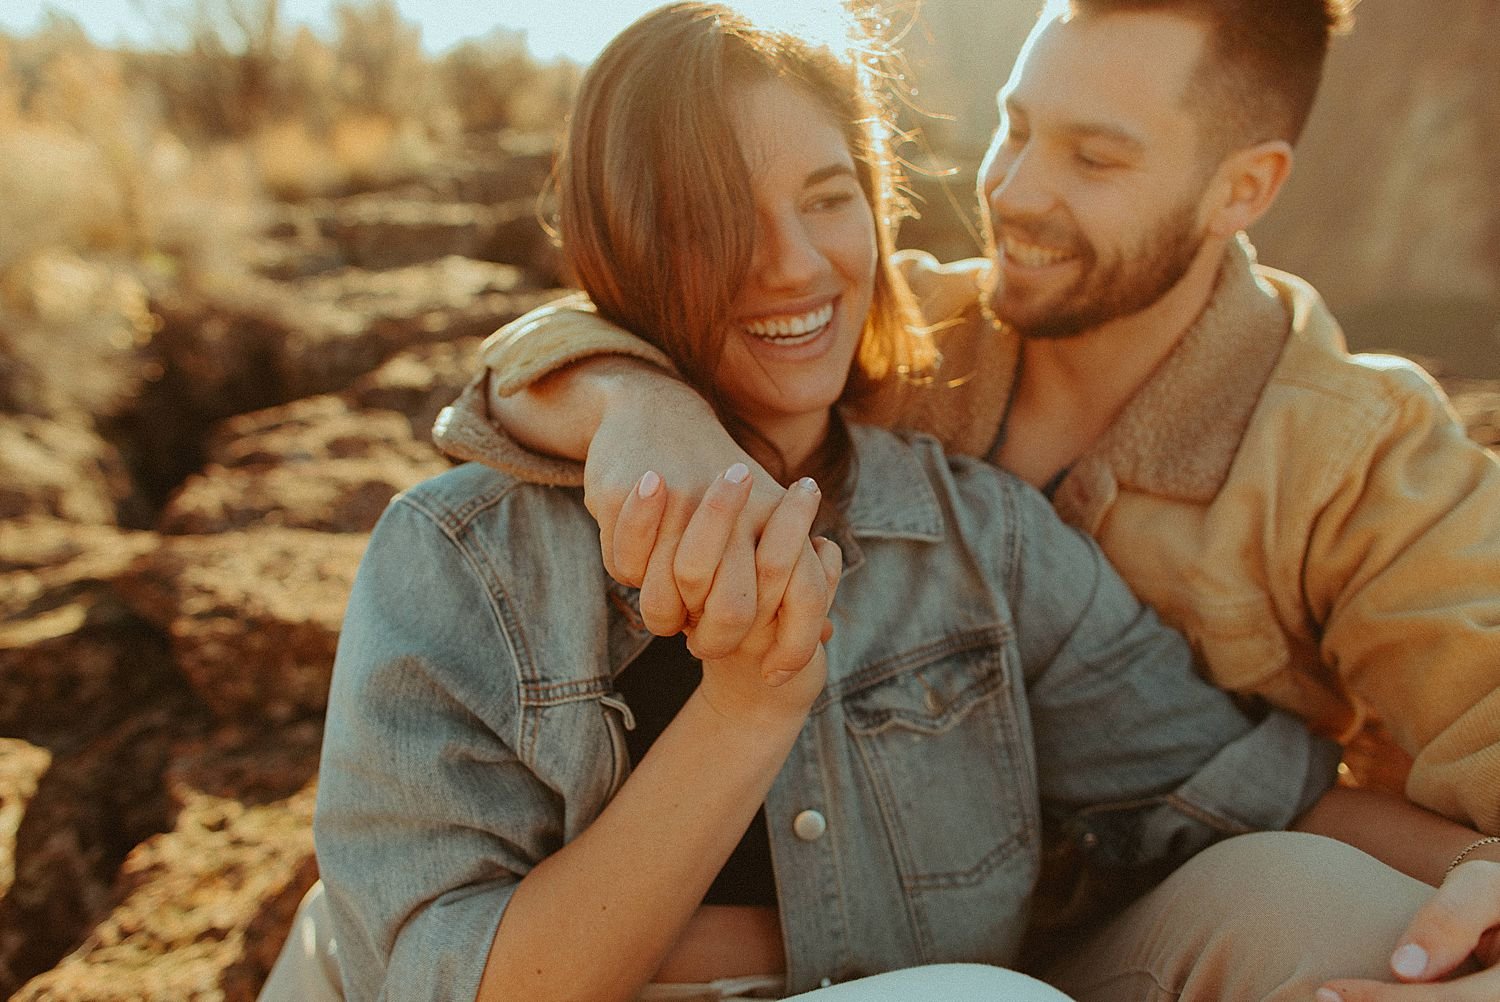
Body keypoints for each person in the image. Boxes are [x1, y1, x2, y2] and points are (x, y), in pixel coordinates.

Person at [295, 4, 1488, 1002]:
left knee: (1313, 904)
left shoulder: (1025, 520)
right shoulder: (470, 553)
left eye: (829, 198)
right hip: (954, 980)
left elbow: (1256, 797)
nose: (794, 267)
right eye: (1013, 131)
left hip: (1038, 953)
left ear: (1246, 188)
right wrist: (629, 405)